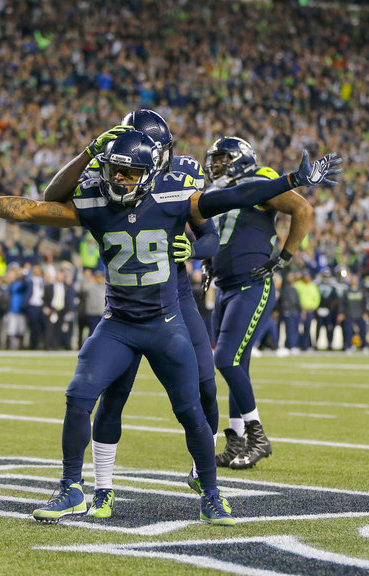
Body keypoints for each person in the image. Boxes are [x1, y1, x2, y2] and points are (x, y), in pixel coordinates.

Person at [0, 127, 341, 525]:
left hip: (165, 322)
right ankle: (72, 488)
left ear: (150, 171)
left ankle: (211, 493)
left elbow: (237, 195)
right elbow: (33, 208)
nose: (119, 179)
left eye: (129, 172)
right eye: (114, 170)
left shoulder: (175, 197)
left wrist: (294, 178)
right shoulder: (94, 201)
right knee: (79, 395)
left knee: (192, 411)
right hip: (118, 323)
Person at [43, 109, 221, 514]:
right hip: (124, 307)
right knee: (112, 395)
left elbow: (211, 238)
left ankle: (204, 470)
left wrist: (194, 252)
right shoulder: (106, 180)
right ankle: (101, 489)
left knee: (204, 386)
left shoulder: (181, 180)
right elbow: (51, 199)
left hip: (174, 301)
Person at [203, 136, 314, 470]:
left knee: (225, 359)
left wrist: (284, 256)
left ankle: (257, 437)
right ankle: (236, 440)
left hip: (251, 285)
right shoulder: (217, 193)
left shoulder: (259, 182)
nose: (216, 165)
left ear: (240, 159)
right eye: (214, 159)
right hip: (224, 287)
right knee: (239, 364)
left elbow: (303, 209)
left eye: (222, 159)